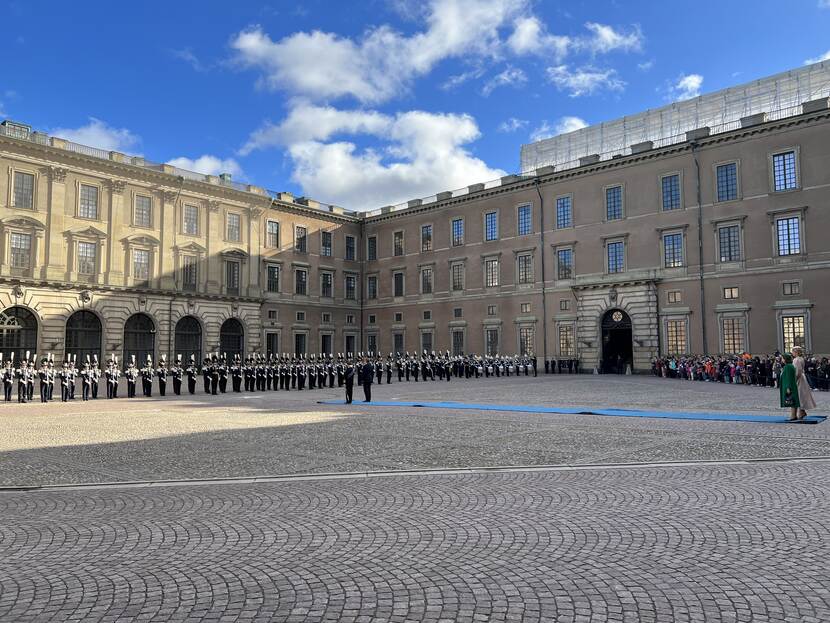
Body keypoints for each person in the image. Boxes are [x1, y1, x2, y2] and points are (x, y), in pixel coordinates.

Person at [792, 346, 817, 421]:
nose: (792, 353)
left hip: (799, 379)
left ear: (796, 352)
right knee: (801, 395)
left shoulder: (796, 360)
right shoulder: (801, 359)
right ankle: (802, 411)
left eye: (793, 351)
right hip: (803, 378)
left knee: (799, 395)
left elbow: (798, 371)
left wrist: (794, 380)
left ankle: (801, 412)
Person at [779, 353, 799, 421]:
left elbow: (788, 378)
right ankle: (794, 415)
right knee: (792, 401)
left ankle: (793, 416)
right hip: (792, 385)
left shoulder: (787, 367)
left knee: (791, 401)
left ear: (785, 359)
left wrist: (788, 387)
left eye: (782, 358)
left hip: (789, 386)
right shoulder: (790, 366)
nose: (782, 360)